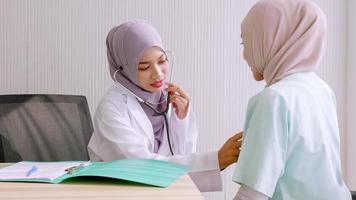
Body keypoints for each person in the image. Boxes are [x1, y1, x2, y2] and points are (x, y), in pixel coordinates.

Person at [87, 20, 242, 192]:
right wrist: (215, 160)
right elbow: (137, 166)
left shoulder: (170, 100)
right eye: (144, 67)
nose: (158, 74)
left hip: (166, 192)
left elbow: (183, 156)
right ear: (123, 69)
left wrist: (181, 120)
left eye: (162, 61)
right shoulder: (111, 108)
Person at [232, 0, 351, 199]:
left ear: (269, 39)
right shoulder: (323, 91)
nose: (244, 55)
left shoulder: (274, 99)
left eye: (246, 43)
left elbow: (252, 195)